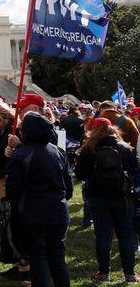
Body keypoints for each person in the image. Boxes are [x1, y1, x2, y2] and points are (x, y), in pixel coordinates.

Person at [6, 112, 73, 287]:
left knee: (39, 258)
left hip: (33, 214)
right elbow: (69, 187)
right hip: (58, 211)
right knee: (57, 257)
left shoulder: (21, 155)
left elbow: (13, 190)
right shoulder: (58, 152)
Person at [75, 117, 139, 283]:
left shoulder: (89, 149)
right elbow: (134, 168)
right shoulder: (124, 148)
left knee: (103, 235)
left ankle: (104, 273)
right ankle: (130, 274)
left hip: (98, 198)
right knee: (126, 235)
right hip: (123, 198)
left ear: (93, 130)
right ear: (112, 129)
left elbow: (80, 174)